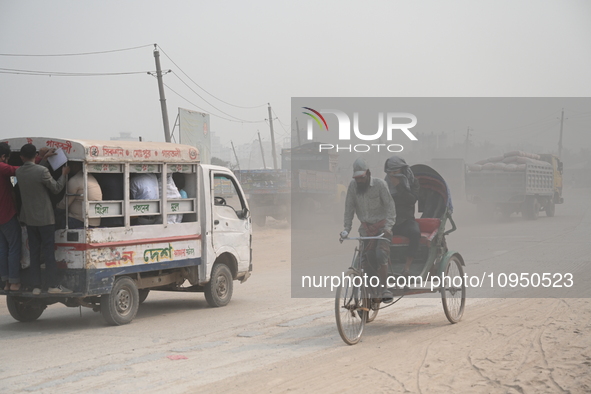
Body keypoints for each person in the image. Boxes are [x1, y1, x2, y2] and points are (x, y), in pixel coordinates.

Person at [16, 144, 72, 294]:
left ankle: (36, 286)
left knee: (34, 252)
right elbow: (56, 188)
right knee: (48, 252)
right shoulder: (42, 171)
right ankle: (53, 285)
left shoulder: (19, 172)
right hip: (46, 219)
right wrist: (64, 174)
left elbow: (33, 172)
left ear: (21, 157)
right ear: (35, 154)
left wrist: (45, 159)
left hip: (29, 219)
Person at [342, 158, 396, 302]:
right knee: (365, 260)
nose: (359, 181)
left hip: (382, 228)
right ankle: (372, 290)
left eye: (362, 178)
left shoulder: (380, 185)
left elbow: (390, 207)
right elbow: (349, 209)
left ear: (368, 174)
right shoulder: (353, 187)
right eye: (357, 178)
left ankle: (384, 289)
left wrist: (388, 228)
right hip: (365, 229)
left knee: (380, 254)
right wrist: (346, 229)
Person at [384, 155, 421, 275]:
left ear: (402, 170)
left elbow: (411, 200)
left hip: (406, 220)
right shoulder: (385, 184)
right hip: (390, 221)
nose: (393, 175)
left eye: (396, 171)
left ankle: (407, 266)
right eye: (391, 172)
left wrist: (398, 186)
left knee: (415, 233)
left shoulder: (413, 182)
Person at [0, 142, 22, 291]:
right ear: (3, 157)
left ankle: (6, 282)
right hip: (6, 214)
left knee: (3, 249)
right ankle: (14, 282)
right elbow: (19, 170)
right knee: (14, 247)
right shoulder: (2, 167)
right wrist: (38, 160)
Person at [56, 161, 103, 228]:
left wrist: (56, 207)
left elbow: (66, 203)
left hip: (79, 220)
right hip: (95, 222)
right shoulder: (92, 178)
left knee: (53, 223)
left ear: (75, 166)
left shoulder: (75, 180)